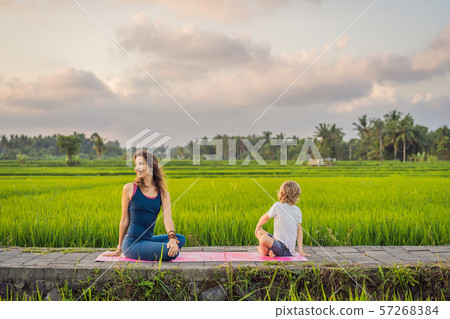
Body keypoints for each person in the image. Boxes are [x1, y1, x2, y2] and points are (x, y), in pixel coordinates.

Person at [105, 150, 185, 261]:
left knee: (180, 239)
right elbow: (124, 220)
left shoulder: (163, 194)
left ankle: (153, 247)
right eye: (136, 164)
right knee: (172, 253)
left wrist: (172, 239)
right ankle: (158, 248)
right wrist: (119, 247)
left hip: (147, 240)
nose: (136, 168)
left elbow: (167, 219)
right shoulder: (129, 188)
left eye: (141, 164)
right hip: (132, 243)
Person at [255, 180, 310, 258]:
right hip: (276, 242)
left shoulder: (293, 209)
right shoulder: (279, 206)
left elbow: (299, 229)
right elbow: (266, 217)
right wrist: (258, 227)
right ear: (296, 196)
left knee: (263, 238)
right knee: (259, 232)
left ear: (281, 193)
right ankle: (272, 252)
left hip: (285, 250)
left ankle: (265, 252)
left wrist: (300, 249)